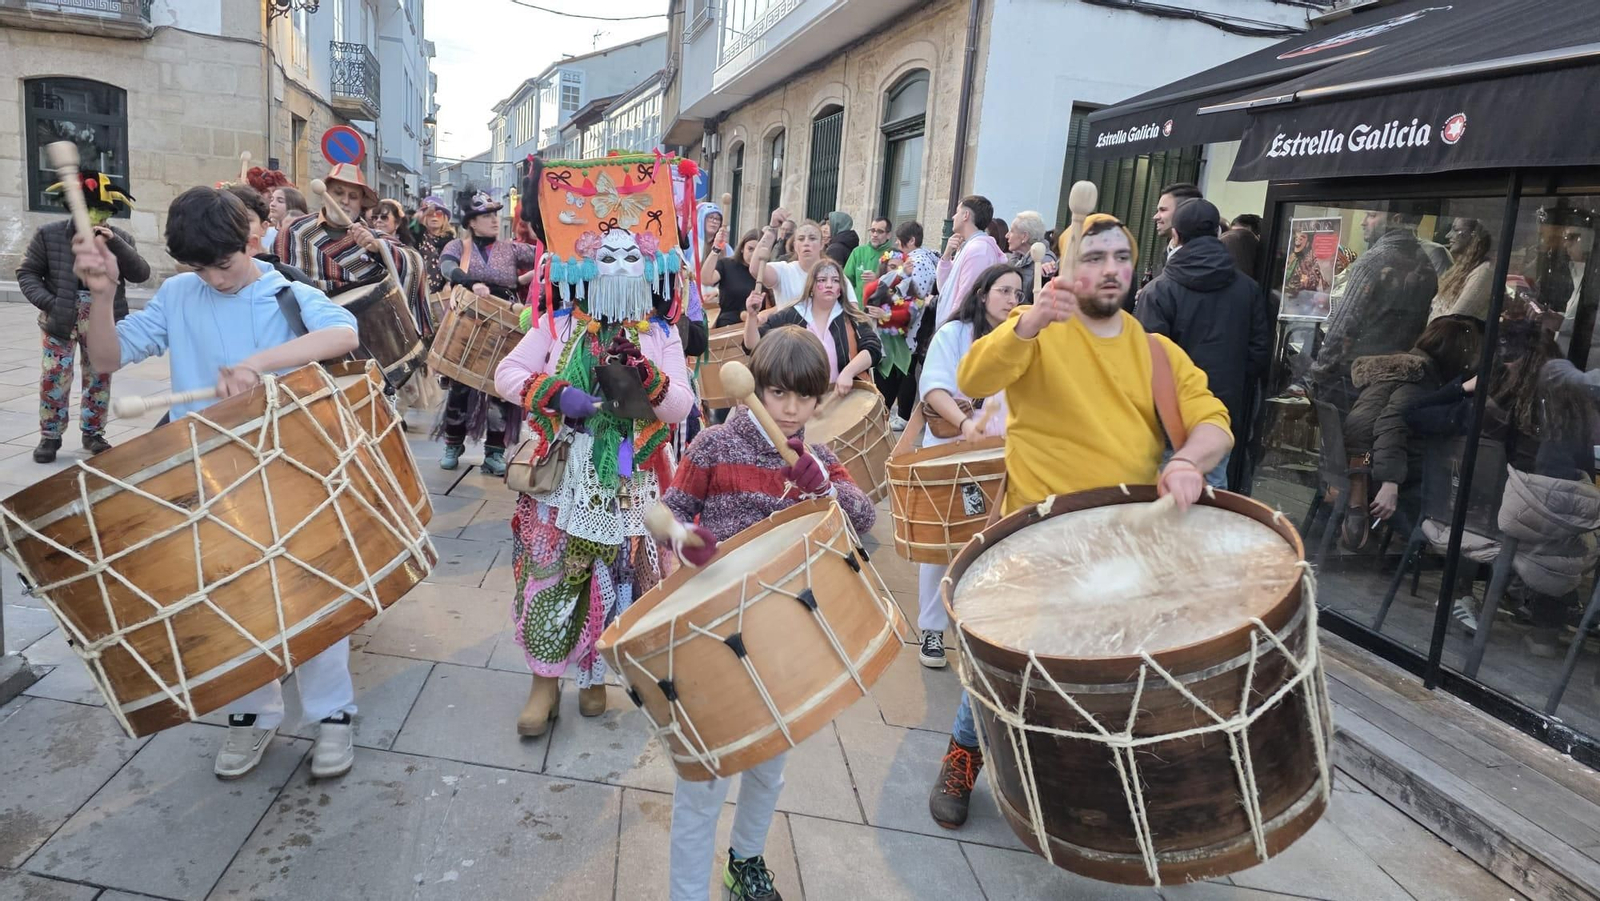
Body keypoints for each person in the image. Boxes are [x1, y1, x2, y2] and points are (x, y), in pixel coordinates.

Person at [929, 212, 1232, 829]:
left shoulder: (1157, 353)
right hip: (1037, 537)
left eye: (1121, 256)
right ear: (1067, 269)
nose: (1111, 268)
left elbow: (1212, 421)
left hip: (1128, 548)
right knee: (1005, 659)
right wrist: (1032, 320)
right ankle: (964, 755)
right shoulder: (1033, 331)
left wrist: (1187, 463)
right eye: (1093, 257)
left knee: (1106, 676)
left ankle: (1079, 783)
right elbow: (973, 376)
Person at [72, 186, 361, 780]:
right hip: (203, 470)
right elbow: (106, 358)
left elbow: (345, 334)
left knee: (311, 589)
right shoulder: (181, 294)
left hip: (287, 467)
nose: (215, 279)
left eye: (223, 264)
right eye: (199, 268)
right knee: (228, 593)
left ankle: (332, 715)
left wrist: (260, 364)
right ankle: (253, 715)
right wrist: (101, 296)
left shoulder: (286, 293)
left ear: (250, 239)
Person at [661, 326, 876, 901]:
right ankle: (686, 892)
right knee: (703, 778)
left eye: (804, 398)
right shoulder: (710, 446)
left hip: (784, 633)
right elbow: (669, 516)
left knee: (768, 765)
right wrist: (685, 541)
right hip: (712, 630)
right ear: (754, 388)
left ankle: (746, 860)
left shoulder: (819, 456)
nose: (790, 409)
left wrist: (824, 488)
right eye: (778, 394)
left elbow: (863, 523)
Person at [491, 193, 695, 735]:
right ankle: (544, 683)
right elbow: (506, 375)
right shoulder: (557, 326)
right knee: (553, 576)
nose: (619, 269)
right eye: (606, 257)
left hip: (631, 481)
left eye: (632, 258)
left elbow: (680, 407)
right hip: (563, 479)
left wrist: (646, 375)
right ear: (581, 265)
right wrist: (556, 394)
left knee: (617, 577)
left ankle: (596, 674)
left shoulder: (660, 333)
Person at [912, 264, 1016, 668]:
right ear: (982, 293)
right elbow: (934, 387)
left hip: (1004, 456)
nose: (1012, 300)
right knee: (942, 543)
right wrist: (965, 424)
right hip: (954, 453)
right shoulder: (954, 335)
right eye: (1004, 291)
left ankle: (979, 628)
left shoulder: (1021, 338)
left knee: (993, 544)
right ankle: (933, 631)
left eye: (1017, 293)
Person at [16, 169, 150, 463]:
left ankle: (93, 432)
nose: (94, 219)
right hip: (59, 316)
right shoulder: (48, 235)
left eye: (101, 212)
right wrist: (50, 303)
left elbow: (140, 273)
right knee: (54, 376)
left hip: (103, 317)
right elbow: (27, 273)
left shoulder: (121, 237)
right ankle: (50, 435)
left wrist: (114, 243)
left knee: (99, 376)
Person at [1135, 199, 1271, 489]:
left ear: (1176, 235)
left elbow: (1144, 363)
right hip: (1221, 419)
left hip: (1167, 423)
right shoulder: (1248, 288)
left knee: (1160, 513)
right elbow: (1258, 354)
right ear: (1217, 231)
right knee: (1208, 510)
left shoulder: (1158, 291)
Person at [1342, 315, 1482, 544]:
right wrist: (1390, 482)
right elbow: (1392, 425)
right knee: (1451, 475)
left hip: (1357, 459)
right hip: (1375, 465)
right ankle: (1428, 541)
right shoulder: (1418, 377)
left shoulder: (1402, 366)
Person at [436, 191, 536, 475]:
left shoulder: (512, 248)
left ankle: (495, 452)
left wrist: (525, 276)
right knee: (460, 386)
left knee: (501, 389)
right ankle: (452, 445)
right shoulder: (458, 245)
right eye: (486, 216)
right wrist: (470, 283)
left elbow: (545, 253)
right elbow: (447, 267)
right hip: (469, 319)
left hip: (504, 321)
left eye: (495, 215)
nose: (493, 220)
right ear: (471, 222)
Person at [275, 162, 432, 338]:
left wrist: (379, 249)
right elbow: (278, 285)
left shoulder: (374, 237)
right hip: (311, 336)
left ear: (361, 203)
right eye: (338, 192)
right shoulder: (295, 232)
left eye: (353, 196)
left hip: (369, 337)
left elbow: (415, 263)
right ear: (325, 195)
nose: (345, 201)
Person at [1307, 207, 1439, 412]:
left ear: (1396, 219)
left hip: (1355, 378)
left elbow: (1344, 324)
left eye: (1372, 215)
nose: (1363, 222)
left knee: (1343, 439)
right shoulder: (1425, 262)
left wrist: (1319, 372)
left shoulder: (1374, 261)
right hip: (1395, 378)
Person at [745, 258, 880, 397]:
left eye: (835, 280)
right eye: (822, 280)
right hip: (799, 401)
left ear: (841, 289)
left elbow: (873, 348)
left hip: (841, 400)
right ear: (811, 286)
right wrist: (752, 316)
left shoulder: (852, 318)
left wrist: (848, 372)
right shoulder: (791, 315)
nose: (829, 285)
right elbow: (753, 345)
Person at [750, 211, 858, 309]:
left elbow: (853, 310)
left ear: (821, 244)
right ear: (795, 246)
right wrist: (772, 229)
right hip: (788, 330)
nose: (806, 243)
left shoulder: (835, 276)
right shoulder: (784, 270)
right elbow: (756, 269)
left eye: (812, 238)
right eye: (801, 239)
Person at [935, 195, 1005, 325]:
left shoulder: (978, 250)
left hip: (962, 330)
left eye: (957, 212)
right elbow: (944, 288)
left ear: (966, 215)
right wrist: (947, 255)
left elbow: (966, 296)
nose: (953, 217)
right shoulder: (969, 246)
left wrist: (952, 326)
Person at [1428, 218, 1494, 322]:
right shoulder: (1459, 268)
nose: (1448, 235)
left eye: (1455, 230)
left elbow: (1455, 318)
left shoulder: (1483, 271)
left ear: (1473, 235)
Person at [702, 229, 761, 330]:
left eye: (758, 250)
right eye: (750, 249)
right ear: (742, 248)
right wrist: (716, 248)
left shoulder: (768, 271)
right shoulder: (727, 265)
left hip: (757, 326)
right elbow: (706, 279)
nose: (754, 254)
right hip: (728, 325)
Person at [1004, 210, 1057, 305]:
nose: (1007, 235)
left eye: (1011, 231)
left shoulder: (1045, 262)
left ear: (1024, 237)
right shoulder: (1016, 258)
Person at [414, 195, 456, 295]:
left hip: (442, 296)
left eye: (438, 213)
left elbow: (457, 266)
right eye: (430, 214)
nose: (434, 216)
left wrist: (450, 283)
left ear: (445, 217)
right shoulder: (417, 237)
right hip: (417, 293)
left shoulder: (453, 243)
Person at [845, 216, 894, 299]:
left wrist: (877, 280)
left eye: (880, 231)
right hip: (857, 307)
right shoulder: (858, 252)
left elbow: (897, 286)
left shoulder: (894, 255)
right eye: (872, 231)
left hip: (880, 308)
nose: (875, 235)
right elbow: (846, 279)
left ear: (888, 235)